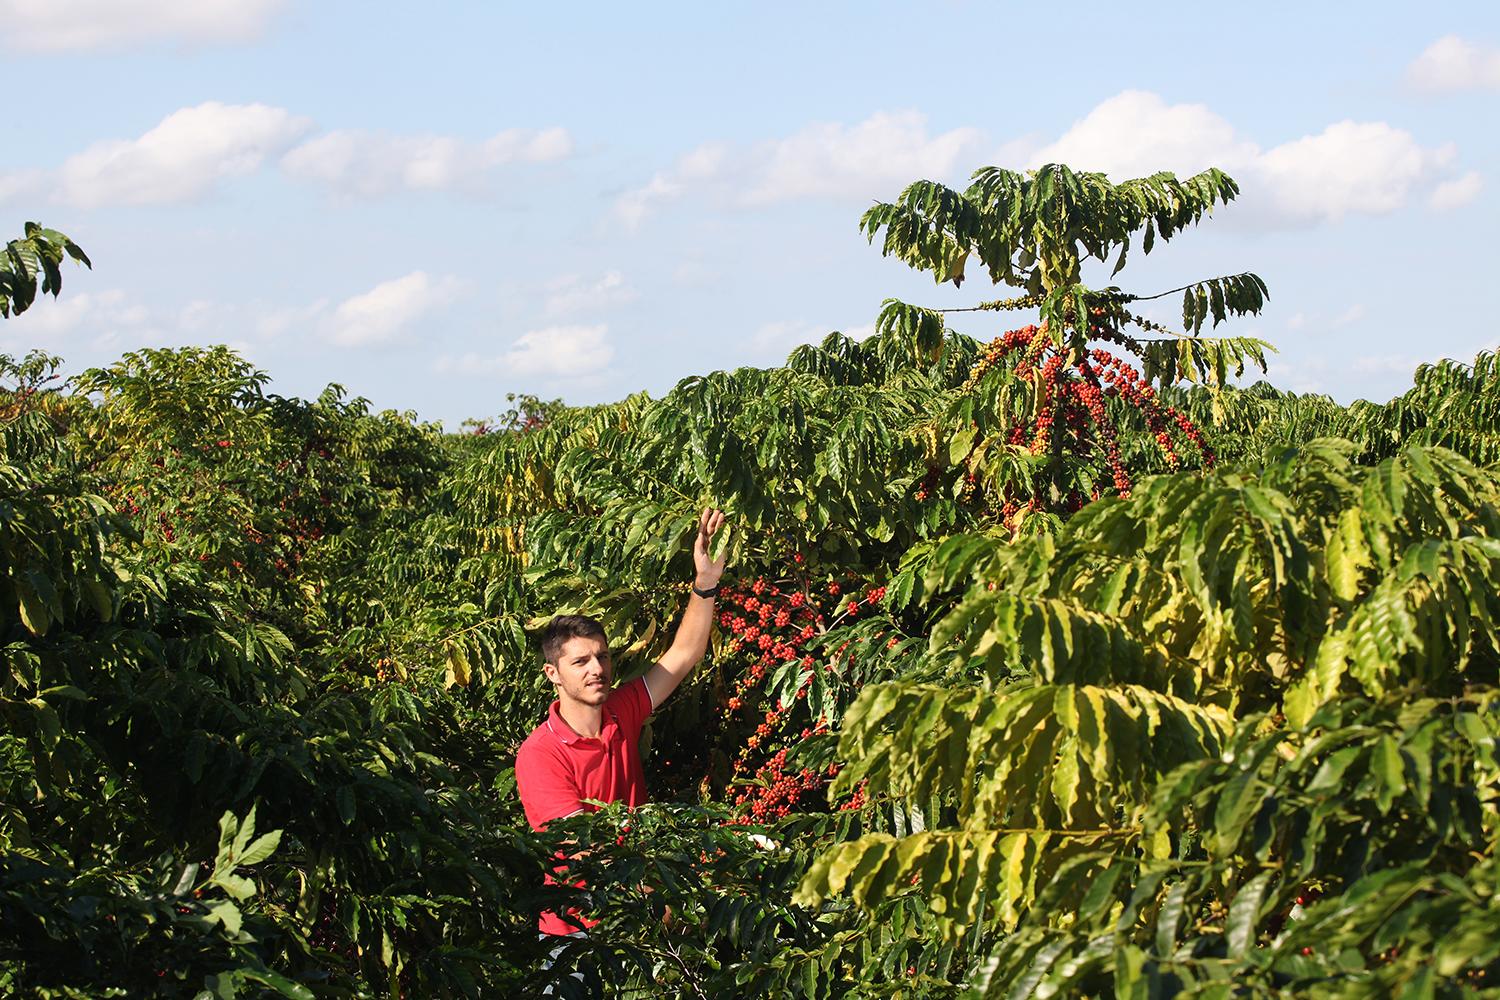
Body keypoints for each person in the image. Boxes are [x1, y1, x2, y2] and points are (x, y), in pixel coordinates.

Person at [515, 507, 727, 940]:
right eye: (580, 661)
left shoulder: (621, 710)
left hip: (640, 918)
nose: (597, 669)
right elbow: (585, 851)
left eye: (603, 656)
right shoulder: (540, 754)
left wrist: (704, 584)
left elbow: (684, 654)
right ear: (552, 674)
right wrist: (673, 900)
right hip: (577, 932)